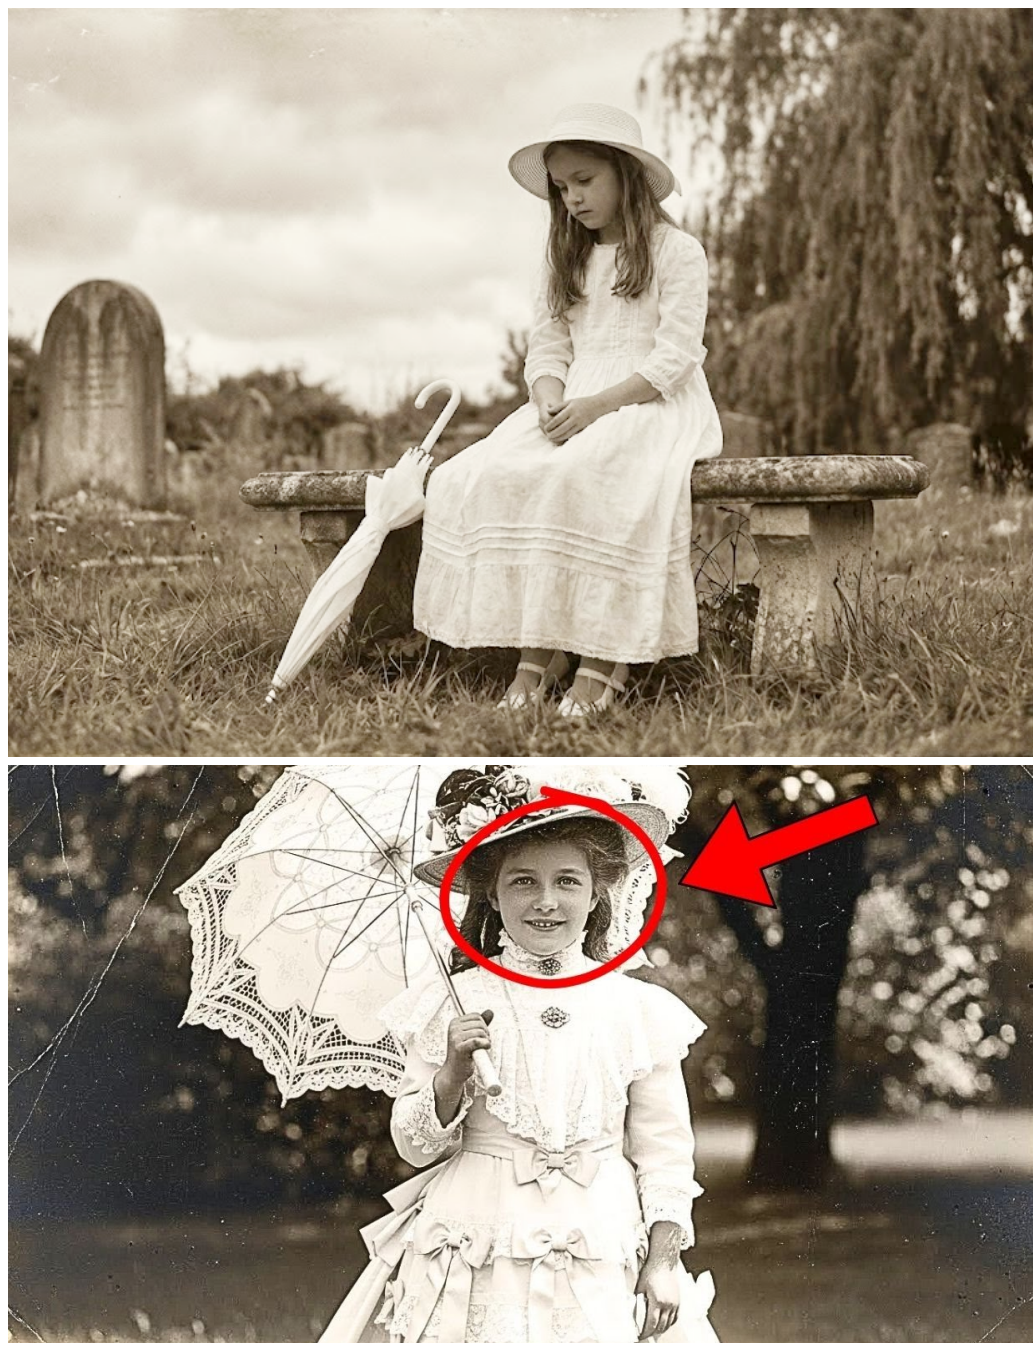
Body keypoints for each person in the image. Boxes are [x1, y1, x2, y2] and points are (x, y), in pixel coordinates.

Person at [320, 765, 717, 1344]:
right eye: (524, 882)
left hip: (601, 1237)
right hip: (478, 1236)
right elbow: (413, 1145)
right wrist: (453, 1071)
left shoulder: (636, 1007)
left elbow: (665, 1150)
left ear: (597, 889)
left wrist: (661, 1260)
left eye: (567, 881)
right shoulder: (456, 1000)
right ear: (492, 893)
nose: (547, 902)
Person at [412, 105, 724, 716]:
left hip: (646, 400)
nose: (573, 198)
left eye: (585, 180)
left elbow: (676, 357)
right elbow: (549, 346)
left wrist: (597, 407)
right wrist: (549, 395)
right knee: (485, 474)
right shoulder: (567, 257)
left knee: (592, 475)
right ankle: (540, 651)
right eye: (562, 187)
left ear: (625, 174)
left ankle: (604, 659)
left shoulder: (676, 252)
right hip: (574, 398)